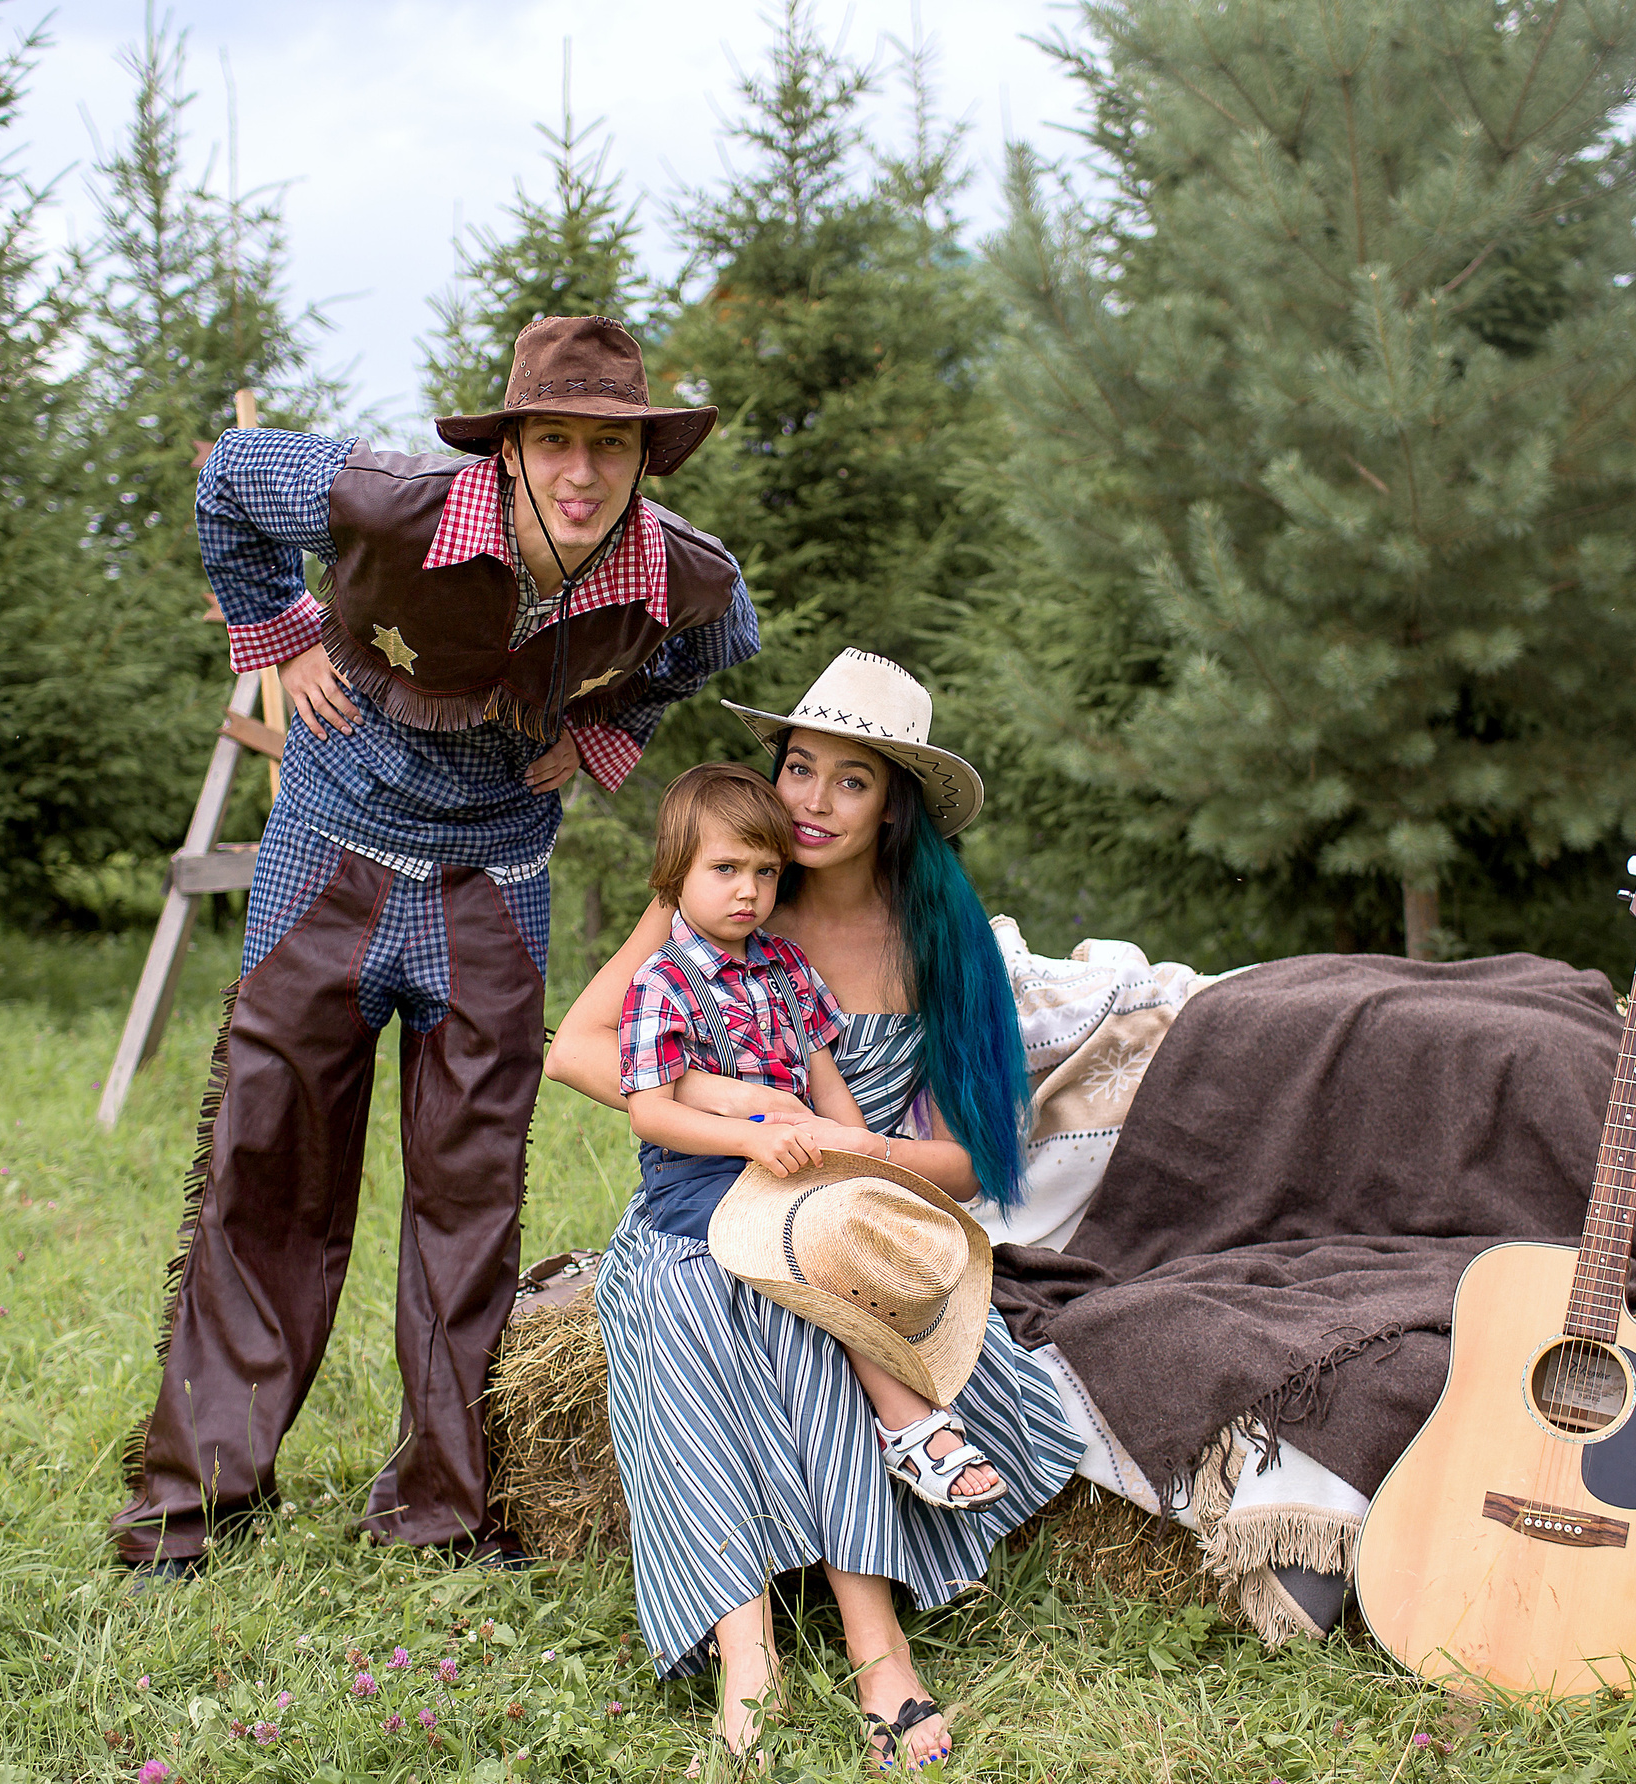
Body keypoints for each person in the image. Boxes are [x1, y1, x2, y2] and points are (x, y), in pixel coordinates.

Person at [111, 316, 758, 1580]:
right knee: (269, 1164)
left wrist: (609, 728)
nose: (581, 472)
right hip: (329, 855)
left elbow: (714, 643)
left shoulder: (685, 572)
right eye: (555, 440)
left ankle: (442, 1504)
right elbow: (230, 478)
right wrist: (281, 633)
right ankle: (198, 1498)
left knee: (470, 1190)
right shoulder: (390, 499)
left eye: (610, 447)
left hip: (496, 882)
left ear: (646, 459)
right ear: (508, 447)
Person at [545, 650, 1079, 1769]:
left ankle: (878, 1649)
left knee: (813, 1300)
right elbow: (579, 1049)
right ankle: (753, 1654)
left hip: (849, 1216)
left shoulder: (939, 942)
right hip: (707, 1202)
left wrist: (850, 1149)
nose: (813, 801)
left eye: (852, 779)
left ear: (895, 805)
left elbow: (972, 1164)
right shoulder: (723, 890)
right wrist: (739, 1104)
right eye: (799, 766)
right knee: (698, 1299)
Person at [614, 761, 1010, 1508]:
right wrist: (748, 1131)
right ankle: (907, 1424)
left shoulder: (787, 964)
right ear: (675, 874)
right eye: (726, 870)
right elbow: (649, 1112)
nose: (748, 891)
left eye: (765, 873)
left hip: (793, 1162)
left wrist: (856, 1165)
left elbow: (825, 1083)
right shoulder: (659, 981)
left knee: (853, 1231)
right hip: (702, 1175)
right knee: (819, 1254)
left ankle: (910, 1418)